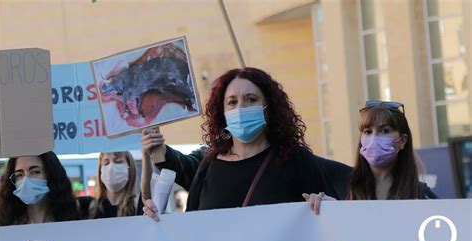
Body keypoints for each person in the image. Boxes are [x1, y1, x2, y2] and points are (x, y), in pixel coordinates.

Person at [141, 67, 352, 220]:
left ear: (268, 109)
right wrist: (159, 220)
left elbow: (331, 224)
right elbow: (191, 229)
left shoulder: (296, 160)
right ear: (223, 113)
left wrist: (327, 208)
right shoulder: (208, 165)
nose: (241, 107)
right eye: (232, 102)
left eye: (251, 99)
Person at [304, 101, 437, 214]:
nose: (374, 138)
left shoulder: (420, 193)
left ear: (402, 141)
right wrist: (325, 205)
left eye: (384, 131)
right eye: (367, 131)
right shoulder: (342, 180)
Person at [0, 151, 81, 226]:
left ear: (51, 175)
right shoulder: (4, 221)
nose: (25, 180)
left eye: (35, 172)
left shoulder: (78, 214)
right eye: (19, 175)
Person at [88, 151, 141, 218]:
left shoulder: (138, 206)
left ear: (129, 169)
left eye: (118, 162)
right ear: (100, 171)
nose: (111, 168)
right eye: (106, 163)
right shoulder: (92, 207)